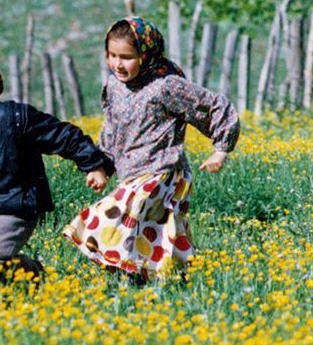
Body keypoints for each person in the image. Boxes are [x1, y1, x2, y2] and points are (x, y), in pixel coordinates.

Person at [62, 16, 240, 283]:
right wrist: (102, 166)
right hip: (133, 173)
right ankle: (162, 280)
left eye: (127, 57)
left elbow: (214, 106)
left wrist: (221, 150)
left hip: (164, 173)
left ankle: (128, 275)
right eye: (112, 55)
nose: (118, 64)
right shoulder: (114, 86)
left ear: (146, 54)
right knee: (156, 233)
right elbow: (112, 131)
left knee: (113, 218)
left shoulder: (166, 86)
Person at [0, 52, 113, 292]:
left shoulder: (14, 116)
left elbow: (62, 135)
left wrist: (94, 165)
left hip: (17, 204)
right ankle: (9, 305)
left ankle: (32, 271)